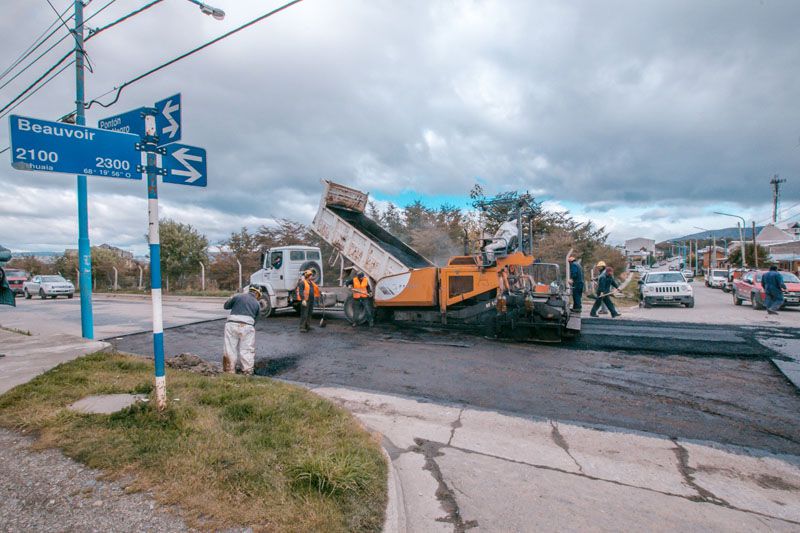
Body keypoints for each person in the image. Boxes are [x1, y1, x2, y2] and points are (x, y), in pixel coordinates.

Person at [222, 285, 261, 375]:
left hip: (231, 323)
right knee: (246, 349)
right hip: (248, 325)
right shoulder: (257, 304)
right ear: (258, 294)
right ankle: (247, 371)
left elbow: (226, 306)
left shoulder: (238, 296)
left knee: (230, 348)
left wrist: (231, 297)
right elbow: (256, 320)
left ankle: (229, 370)